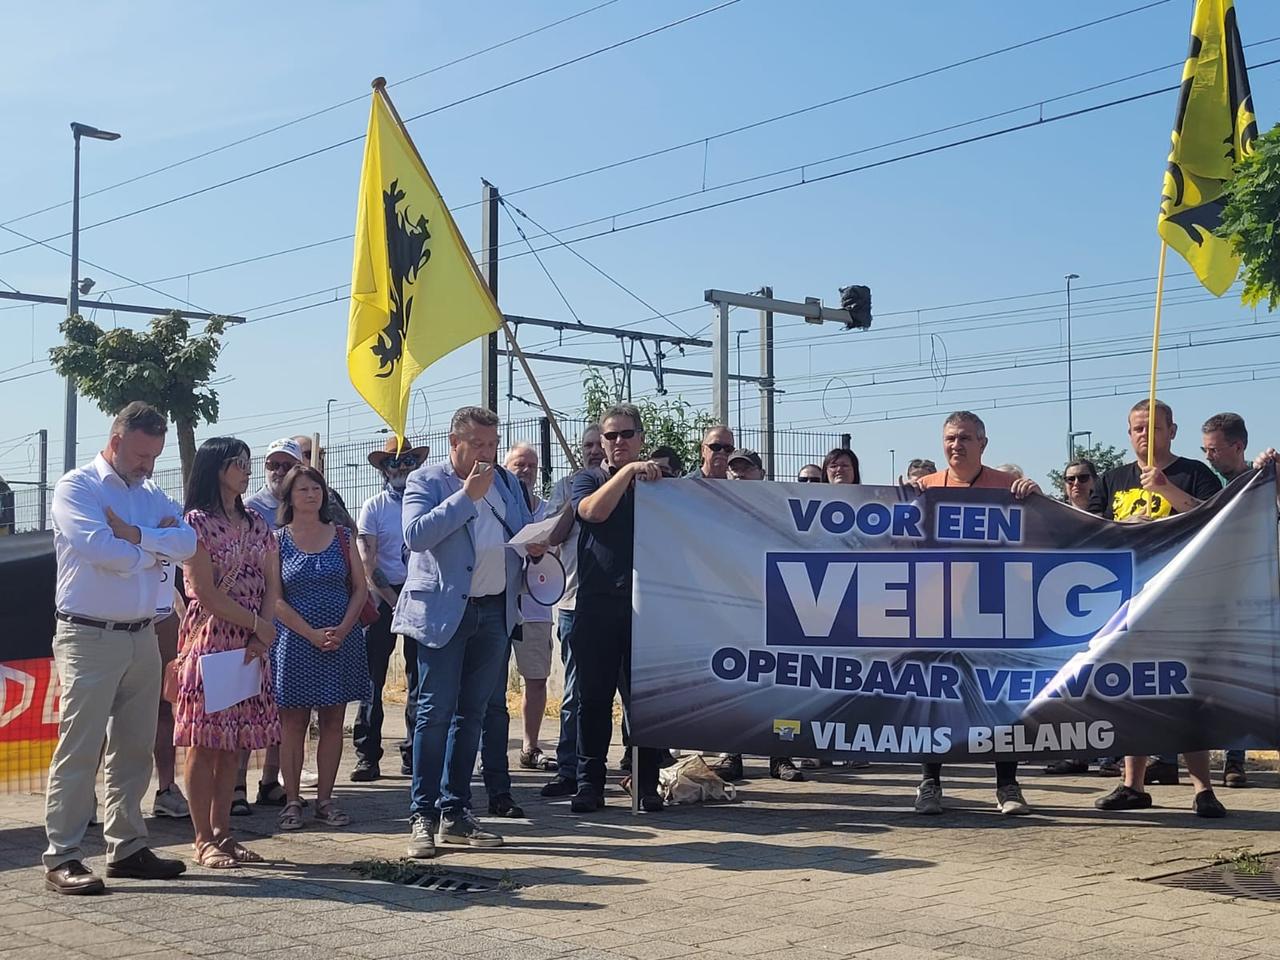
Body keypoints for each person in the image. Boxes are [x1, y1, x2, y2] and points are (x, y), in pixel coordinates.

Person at [43, 402, 195, 895]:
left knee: (134, 747)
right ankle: (62, 854)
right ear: (115, 442)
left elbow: (188, 544)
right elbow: (98, 549)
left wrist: (134, 536)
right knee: (81, 747)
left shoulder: (149, 493)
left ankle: (127, 847)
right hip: (88, 635)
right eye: (141, 455)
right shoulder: (77, 487)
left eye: (155, 456)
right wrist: (152, 549)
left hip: (142, 635)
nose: (148, 466)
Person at [394, 407, 544, 859]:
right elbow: (415, 536)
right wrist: (465, 497)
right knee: (434, 713)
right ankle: (422, 815)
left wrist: (536, 543)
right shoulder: (426, 481)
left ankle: (455, 812)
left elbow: (519, 532)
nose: (487, 453)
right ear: (454, 442)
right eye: (478, 444)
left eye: (493, 444)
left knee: (472, 715)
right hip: (445, 613)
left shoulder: (506, 482)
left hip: (495, 610)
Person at [1092, 399, 1225, 818]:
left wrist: (1167, 489)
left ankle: (1203, 788)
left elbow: (1215, 518)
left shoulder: (1195, 473)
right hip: (1128, 603)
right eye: (1137, 428)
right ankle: (1133, 784)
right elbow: (1089, 531)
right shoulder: (1112, 480)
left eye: (1153, 427)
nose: (1145, 435)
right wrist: (1122, 529)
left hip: (1181, 601)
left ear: (1172, 431)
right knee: (1131, 691)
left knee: (1185, 693)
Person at [912, 411, 1040, 816]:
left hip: (995, 613)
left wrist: (1039, 500)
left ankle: (1007, 786)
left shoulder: (1008, 487)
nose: (957, 445)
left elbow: (1048, 535)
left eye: (966, 438)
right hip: (939, 615)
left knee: (1001, 700)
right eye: (950, 438)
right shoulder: (926, 488)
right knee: (935, 699)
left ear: (983, 444)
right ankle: (930, 783)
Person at [175, 437, 281, 868]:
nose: (246, 470)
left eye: (247, 463)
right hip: (211, 640)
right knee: (204, 742)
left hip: (250, 644)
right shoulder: (195, 523)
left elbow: (273, 583)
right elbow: (203, 591)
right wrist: (258, 624)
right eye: (238, 463)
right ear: (216, 468)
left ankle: (224, 832)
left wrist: (262, 633)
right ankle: (202, 838)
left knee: (234, 743)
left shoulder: (258, 523)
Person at [567, 403, 664, 813]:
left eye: (627, 434)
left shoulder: (662, 485)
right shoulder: (588, 479)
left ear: (641, 438)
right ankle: (589, 784)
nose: (618, 442)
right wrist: (628, 473)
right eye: (611, 436)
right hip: (597, 607)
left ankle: (646, 784)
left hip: (649, 609)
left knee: (646, 703)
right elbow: (593, 512)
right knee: (593, 700)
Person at [272, 465, 372, 830]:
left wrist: (343, 629)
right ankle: (292, 800)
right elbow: (274, 598)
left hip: (341, 642)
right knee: (293, 723)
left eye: (316, 488)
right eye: (303, 489)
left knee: (333, 721)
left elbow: (360, 588)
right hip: (294, 642)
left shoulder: (342, 536)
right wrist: (310, 633)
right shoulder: (276, 541)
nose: (311, 495)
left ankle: (326, 799)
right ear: (289, 496)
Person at [351, 437, 427, 782]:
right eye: (394, 462)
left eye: (408, 461)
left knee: (419, 679)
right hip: (382, 599)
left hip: (421, 594)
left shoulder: (426, 501)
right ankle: (367, 755)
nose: (401, 468)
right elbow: (367, 561)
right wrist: (394, 600)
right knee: (372, 680)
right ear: (383, 468)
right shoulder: (375, 506)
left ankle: (415, 753)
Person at [238, 436, 303, 812]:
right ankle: (236, 785)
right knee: (248, 701)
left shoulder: (305, 505)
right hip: (257, 614)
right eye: (272, 465)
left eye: (286, 465)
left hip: (293, 618)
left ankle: (270, 780)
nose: (279, 471)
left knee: (283, 703)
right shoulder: (250, 509)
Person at [541, 425, 605, 799]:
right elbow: (551, 535)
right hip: (573, 602)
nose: (594, 450)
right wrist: (577, 499)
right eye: (588, 445)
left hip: (616, 601)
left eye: (599, 444)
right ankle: (569, 768)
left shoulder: (621, 482)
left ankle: (636, 769)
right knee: (575, 693)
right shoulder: (565, 487)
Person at [1201, 412, 1253, 788]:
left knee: (1239, 681)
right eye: (1205, 450)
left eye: (1214, 450)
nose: (1209, 457)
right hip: (1211, 595)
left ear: (1237, 446)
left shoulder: (1259, 479)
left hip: (1249, 598)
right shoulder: (1206, 482)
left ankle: (1235, 761)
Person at [294, 435, 357, 530]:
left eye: (320, 454)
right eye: (309, 454)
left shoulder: (330, 494)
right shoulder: (280, 496)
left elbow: (351, 530)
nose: (318, 459)